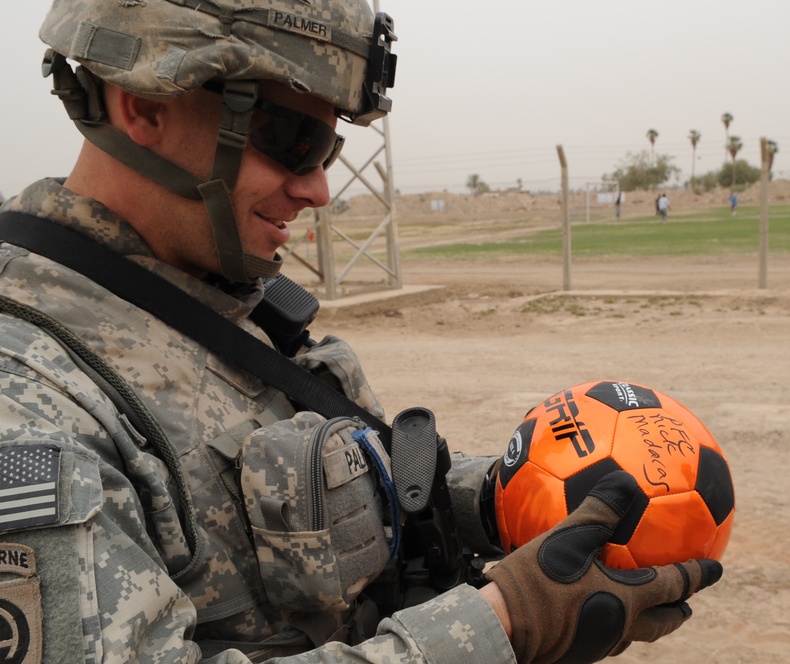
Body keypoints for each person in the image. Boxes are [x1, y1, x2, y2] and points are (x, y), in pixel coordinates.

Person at [0, 1, 722, 663]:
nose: (317, 187)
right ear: (146, 104)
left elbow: (334, 502)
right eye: (291, 138)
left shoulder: (210, 292)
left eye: (328, 151)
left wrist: (513, 496)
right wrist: (505, 622)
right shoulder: (24, 400)